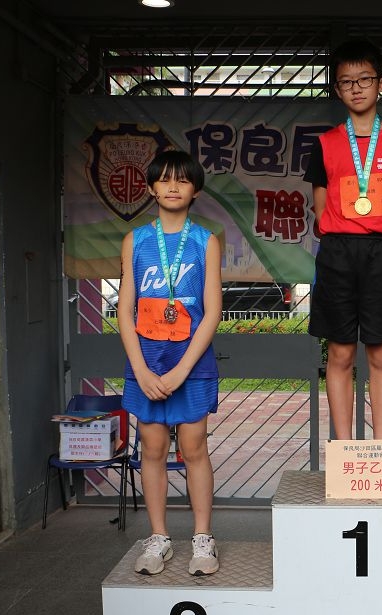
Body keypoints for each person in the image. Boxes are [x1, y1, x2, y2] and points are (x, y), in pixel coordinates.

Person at [304, 39, 382, 441]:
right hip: (337, 253)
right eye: (346, 81)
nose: (356, 88)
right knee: (339, 352)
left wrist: (376, 227)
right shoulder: (324, 144)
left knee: (381, 351)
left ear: (381, 84)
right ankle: (343, 448)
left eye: (365, 79)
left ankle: (380, 448)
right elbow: (319, 205)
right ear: (336, 89)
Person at [118, 149, 223, 576]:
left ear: (195, 190)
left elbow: (212, 312)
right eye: (164, 179)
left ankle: (203, 538)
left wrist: (181, 371)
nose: (173, 186)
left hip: (190, 363)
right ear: (151, 188)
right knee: (153, 449)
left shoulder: (205, 241)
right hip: (146, 362)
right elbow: (124, 309)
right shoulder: (136, 241)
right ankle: (158, 537)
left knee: (194, 448)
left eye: (182, 179)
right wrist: (141, 370)